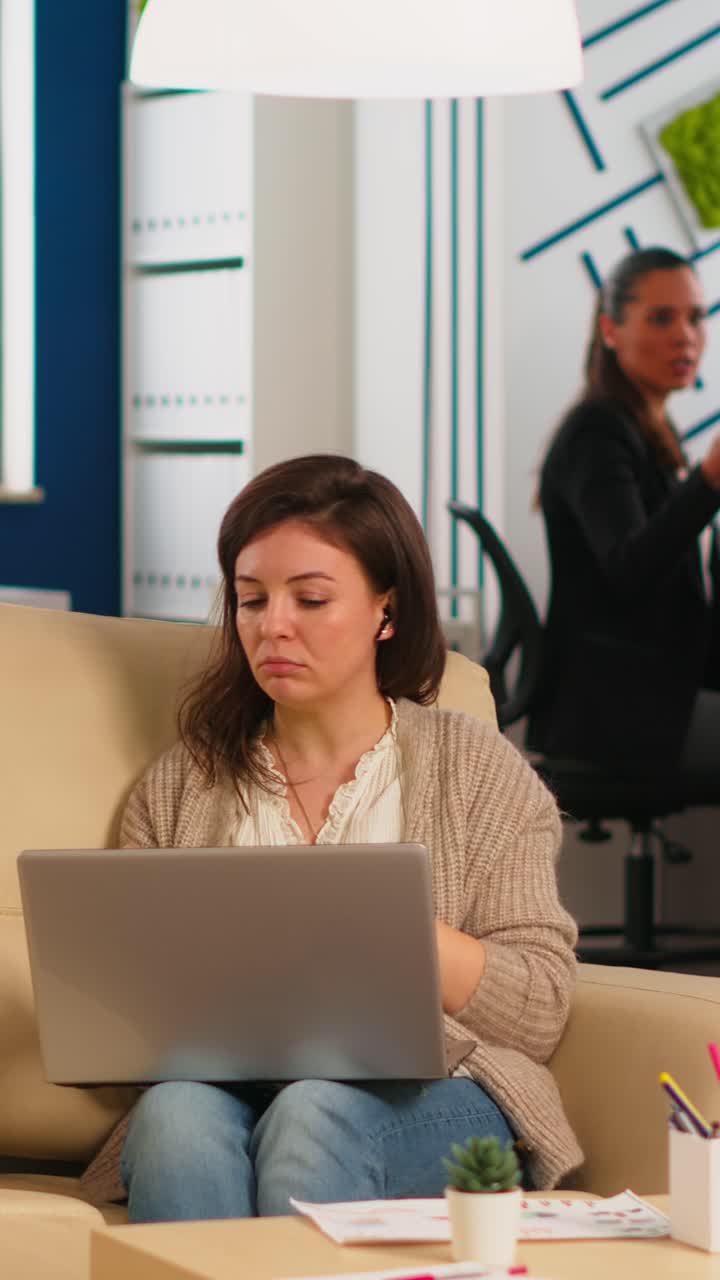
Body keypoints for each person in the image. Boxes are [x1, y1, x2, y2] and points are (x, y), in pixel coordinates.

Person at [81, 454, 581, 1222]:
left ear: (387, 609)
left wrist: (385, 928)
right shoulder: (181, 786)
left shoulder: (476, 768)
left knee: (313, 1111)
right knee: (176, 1118)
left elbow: (542, 1008)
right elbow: (129, 1028)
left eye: (310, 599)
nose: (272, 625)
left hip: (438, 1097)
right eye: (251, 600)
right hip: (224, 1090)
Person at [528, 247, 720, 775]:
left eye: (696, 317)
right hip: (617, 710)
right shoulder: (598, 434)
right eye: (662, 318)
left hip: (649, 694)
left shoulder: (648, 431)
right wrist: (707, 482)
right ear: (611, 331)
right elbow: (629, 571)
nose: (686, 336)